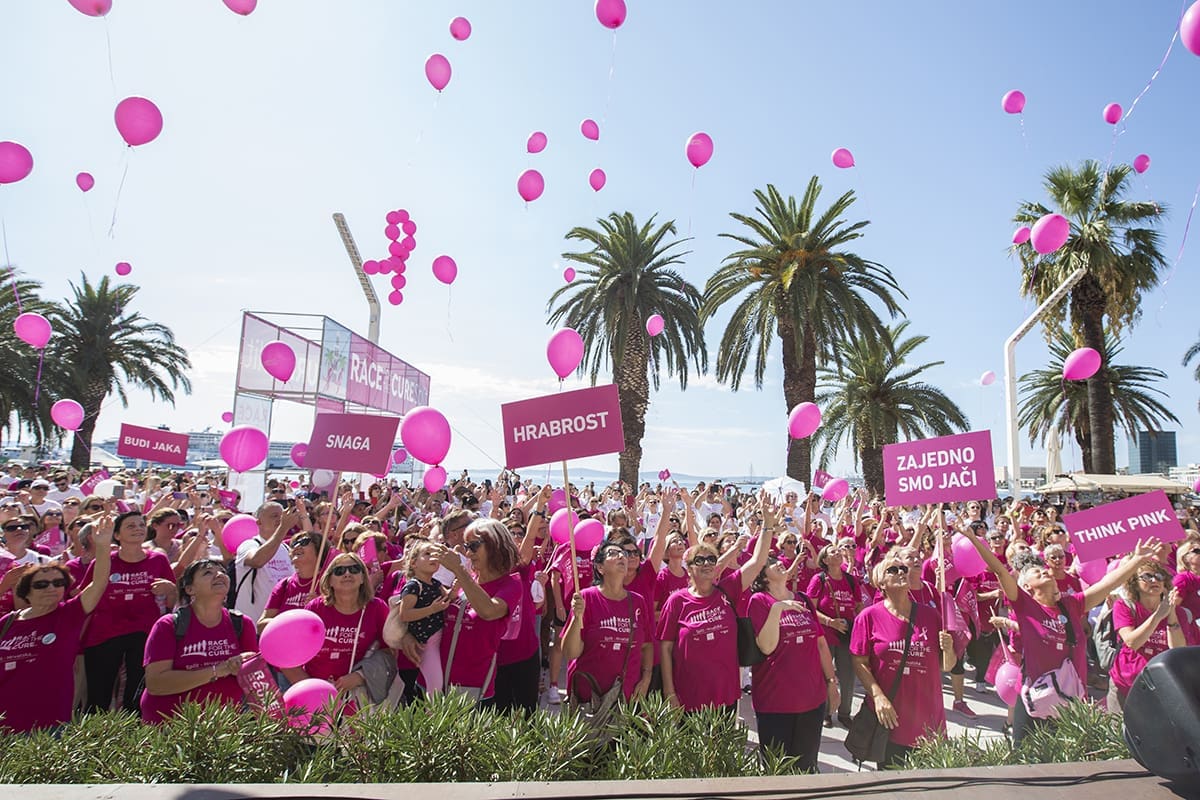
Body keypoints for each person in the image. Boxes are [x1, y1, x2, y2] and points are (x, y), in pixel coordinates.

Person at [958, 525, 1161, 746]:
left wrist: (1136, 561)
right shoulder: (1025, 606)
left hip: (1070, 701)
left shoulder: (1072, 604)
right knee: (1025, 756)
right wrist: (974, 540)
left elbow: (1106, 584)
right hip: (1034, 701)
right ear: (1026, 587)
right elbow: (1000, 571)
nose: (1044, 571)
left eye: (1044, 570)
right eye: (1037, 573)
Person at [658, 494, 772, 713]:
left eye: (711, 559)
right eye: (699, 560)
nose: (707, 563)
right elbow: (666, 648)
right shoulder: (677, 601)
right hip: (688, 696)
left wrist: (767, 524)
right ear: (689, 568)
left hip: (725, 694)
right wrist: (669, 691)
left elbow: (757, 562)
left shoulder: (727, 589)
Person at [0, 516, 113, 733]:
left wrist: (102, 546)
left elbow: (98, 583)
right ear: (26, 591)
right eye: (41, 584)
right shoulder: (8, 622)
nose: (51, 588)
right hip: (5, 723)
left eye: (58, 583)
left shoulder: (68, 614)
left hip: (49, 725)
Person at [851, 550, 955, 768]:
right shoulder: (868, 617)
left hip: (928, 719)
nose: (901, 572)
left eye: (903, 569)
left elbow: (947, 665)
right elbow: (859, 662)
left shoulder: (931, 615)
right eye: (892, 569)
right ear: (881, 583)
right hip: (891, 719)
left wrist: (949, 649)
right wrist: (878, 697)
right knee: (894, 781)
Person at [141, 558, 259, 723]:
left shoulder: (242, 624)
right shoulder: (168, 625)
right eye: (208, 573)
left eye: (222, 572)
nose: (219, 575)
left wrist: (246, 665)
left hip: (222, 727)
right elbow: (156, 684)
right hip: (170, 725)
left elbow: (255, 682)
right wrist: (218, 670)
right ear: (190, 589)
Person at [82, 511, 178, 713]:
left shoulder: (158, 560)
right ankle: (94, 732)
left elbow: (172, 601)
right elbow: (85, 598)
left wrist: (171, 589)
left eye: (141, 525)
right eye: (131, 526)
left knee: (136, 694)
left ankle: (133, 731)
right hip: (104, 634)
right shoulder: (102, 561)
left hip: (144, 634)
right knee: (99, 695)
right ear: (116, 535)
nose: (138, 529)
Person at [751, 554, 839, 771]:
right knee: (777, 769)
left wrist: (831, 682)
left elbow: (820, 644)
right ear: (762, 576)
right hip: (775, 702)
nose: (779, 563)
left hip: (812, 699)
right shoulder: (760, 601)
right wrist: (777, 608)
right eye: (771, 563)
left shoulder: (804, 599)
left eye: (778, 560)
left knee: (806, 767)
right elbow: (766, 646)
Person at [431, 518, 522, 701]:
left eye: (473, 546)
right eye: (466, 546)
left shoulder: (510, 585)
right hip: (435, 678)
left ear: (495, 545)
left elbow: (488, 611)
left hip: (471, 686)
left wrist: (459, 570)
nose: (468, 553)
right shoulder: (468, 579)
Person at [561, 542, 653, 705]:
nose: (621, 556)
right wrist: (576, 618)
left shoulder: (638, 602)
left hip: (626, 699)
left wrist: (646, 679)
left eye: (624, 554)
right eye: (613, 553)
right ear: (600, 568)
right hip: (589, 699)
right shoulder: (586, 598)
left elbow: (646, 645)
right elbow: (570, 653)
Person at [1107, 562, 1191, 712]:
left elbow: (1177, 648)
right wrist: (1158, 616)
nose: (1154, 580)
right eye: (1147, 576)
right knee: (1119, 727)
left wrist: (1170, 613)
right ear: (1134, 582)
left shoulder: (1180, 613)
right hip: (1125, 686)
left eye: (1159, 576)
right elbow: (1132, 642)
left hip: (1160, 686)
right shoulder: (1124, 606)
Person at [806, 542, 859, 727]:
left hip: (846, 635)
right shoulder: (818, 580)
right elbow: (810, 608)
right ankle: (826, 712)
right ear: (825, 560)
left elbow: (859, 605)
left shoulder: (851, 580)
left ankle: (845, 713)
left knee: (848, 675)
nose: (838, 553)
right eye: (833, 552)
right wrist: (830, 622)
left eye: (839, 551)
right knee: (825, 675)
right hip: (825, 635)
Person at [392, 539, 452, 695]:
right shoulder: (413, 586)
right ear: (413, 563)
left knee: (439, 683)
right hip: (426, 643)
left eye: (435, 555)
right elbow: (405, 614)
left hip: (439, 639)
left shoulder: (436, 583)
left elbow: (448, 598)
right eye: (427, 554)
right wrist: (432, 609)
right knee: (435, 685)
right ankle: (433, 711)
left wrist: (457, 586)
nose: (433, 558)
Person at [232, 503, 300, 622]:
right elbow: (257, 561)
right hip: (251, 624)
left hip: (277, 623)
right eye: (274, 516)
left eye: (282, 516)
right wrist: (283, 528)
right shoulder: (249, 545)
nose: (280, 519)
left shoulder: (287, 549)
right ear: (259, 522)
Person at [257, 531, 322, 633]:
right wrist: (290, 621)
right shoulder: (284, 584)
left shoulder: (329, 584)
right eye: (294, 543)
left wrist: (320, 606)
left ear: (320, 551)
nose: (297, 546)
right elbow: (261, 625)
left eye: (304, 542)